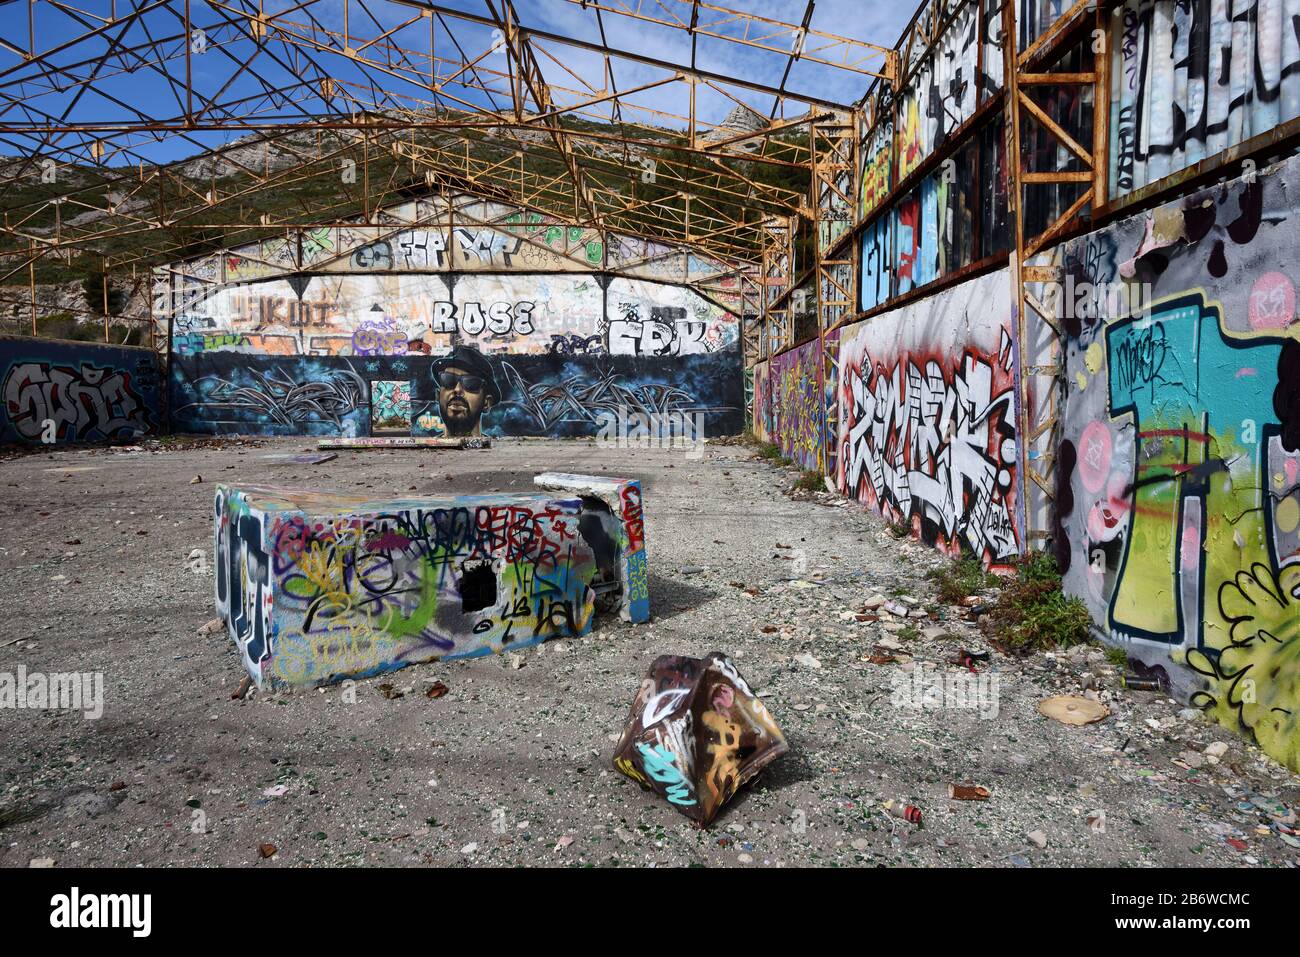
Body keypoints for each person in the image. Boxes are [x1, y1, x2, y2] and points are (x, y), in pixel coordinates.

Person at [429, 345, 500, 437]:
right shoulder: (424, 450)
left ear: (486, 403)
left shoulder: (497, 450)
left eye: (471, 384)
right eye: (449, 380)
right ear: (438, 396)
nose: (457, 390)